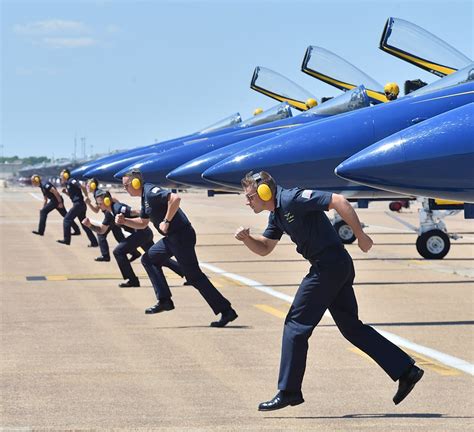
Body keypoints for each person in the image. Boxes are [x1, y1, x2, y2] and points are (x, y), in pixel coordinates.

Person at [235, 171, 423, 411]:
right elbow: (265, 248)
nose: (247, 201)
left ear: (265, 192)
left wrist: (360, 234)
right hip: (333, 267)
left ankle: (289, 391)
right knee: (351, 328)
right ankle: (406, 370)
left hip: (329, 267)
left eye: (250, 196)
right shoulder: (276, 214)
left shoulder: (294, 199)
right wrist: (247, 239)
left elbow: (339, 201)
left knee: (296, 325)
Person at [118, 169, 238, 327]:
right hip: (172, 239)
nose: (124, 189)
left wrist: (166, 221)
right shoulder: (144, 198)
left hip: (181, 236)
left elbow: (175, 198)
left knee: (195, 278)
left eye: (126, 185)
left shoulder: (151, 191)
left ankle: (226, 310)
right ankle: (164, 300)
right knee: (148, 259)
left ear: (136, 183)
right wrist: (124, 221)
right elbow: (143, 223)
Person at [83, 189, 185, 288]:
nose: (99, 206)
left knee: (118, 252)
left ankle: (132, 280)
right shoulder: (109, 214)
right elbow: (102, 230)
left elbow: (136, 211)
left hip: (142, 233)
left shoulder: (119, 208)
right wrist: (90, 225)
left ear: (107, 201)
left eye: (100, 203)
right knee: (156, 257)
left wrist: (154, 216)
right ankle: (185, 272)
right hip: (143, 234)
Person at [56, 169, 98, 247]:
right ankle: (94, 242)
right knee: (84, 224)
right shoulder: (68, 183)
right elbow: (74, 196)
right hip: (79, 205)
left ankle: (66, 240)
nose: (60, 177)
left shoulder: (71, 180)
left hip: (78, 205)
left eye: (61, 175)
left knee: (66, 219)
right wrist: (66, 193)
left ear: (66, 175)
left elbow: (82, 186)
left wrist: (86, 196)